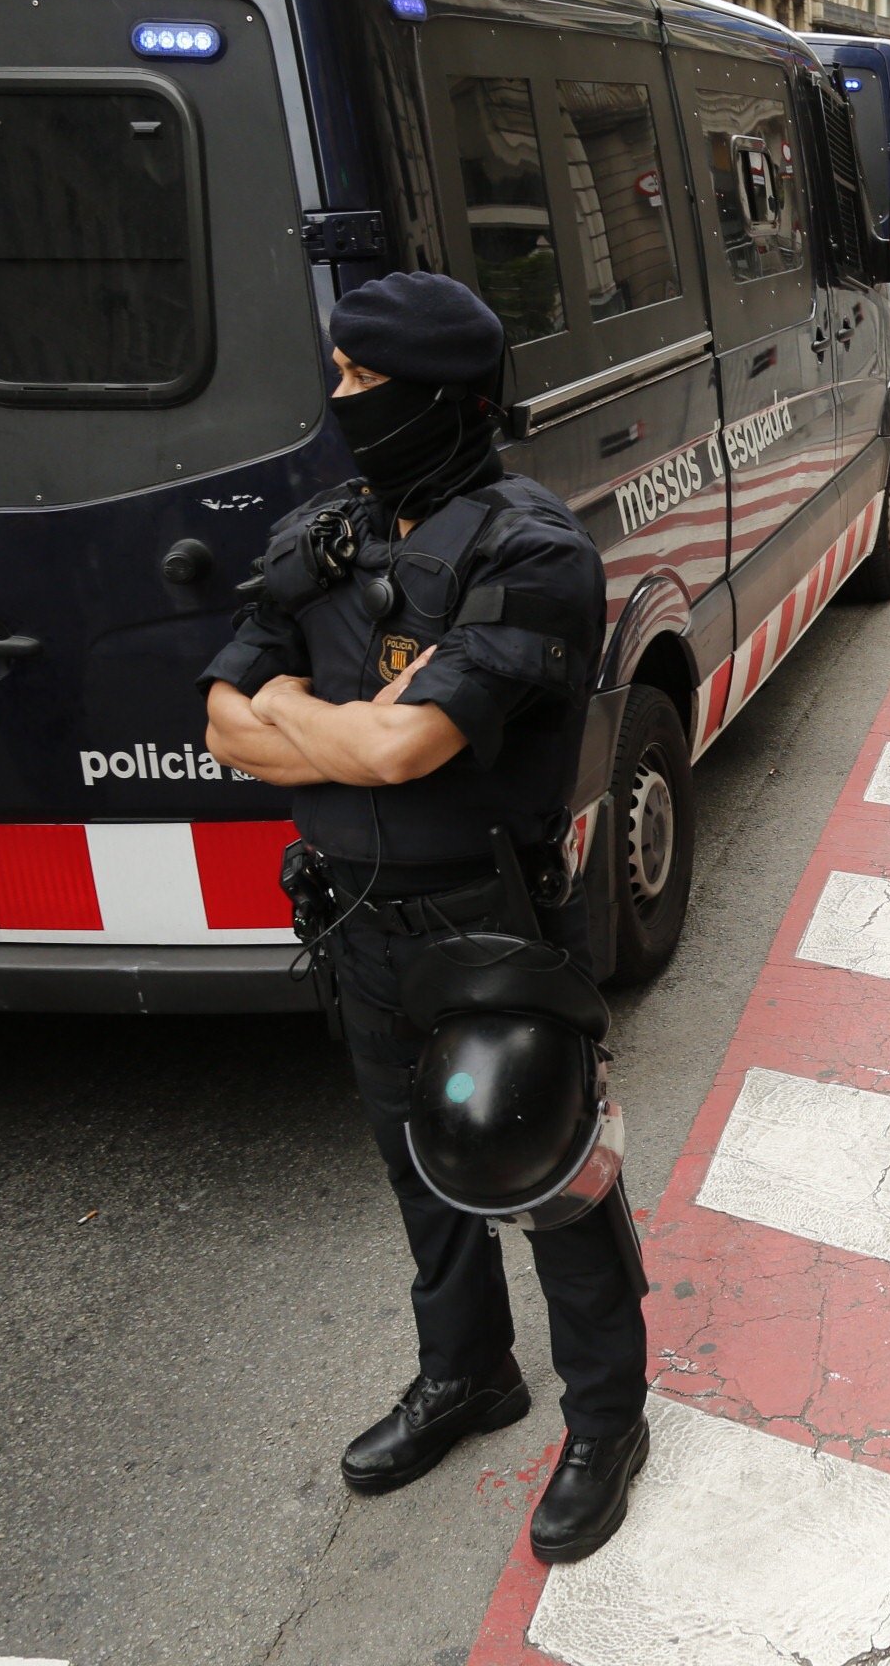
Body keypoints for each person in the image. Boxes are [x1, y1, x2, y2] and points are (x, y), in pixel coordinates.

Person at [201, 272, 652, 1568]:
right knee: (419, 1169)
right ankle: (467, 1373)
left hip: (492, 922)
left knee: (552, 1171)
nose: (339, 398)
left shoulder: (533, 553)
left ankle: (606, 1421)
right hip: (357, 922)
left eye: (362, 379)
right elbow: (224, 724)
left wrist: (303, 719)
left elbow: (409, 750)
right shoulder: (326, 534)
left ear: (441, 396)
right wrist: (335, 729)